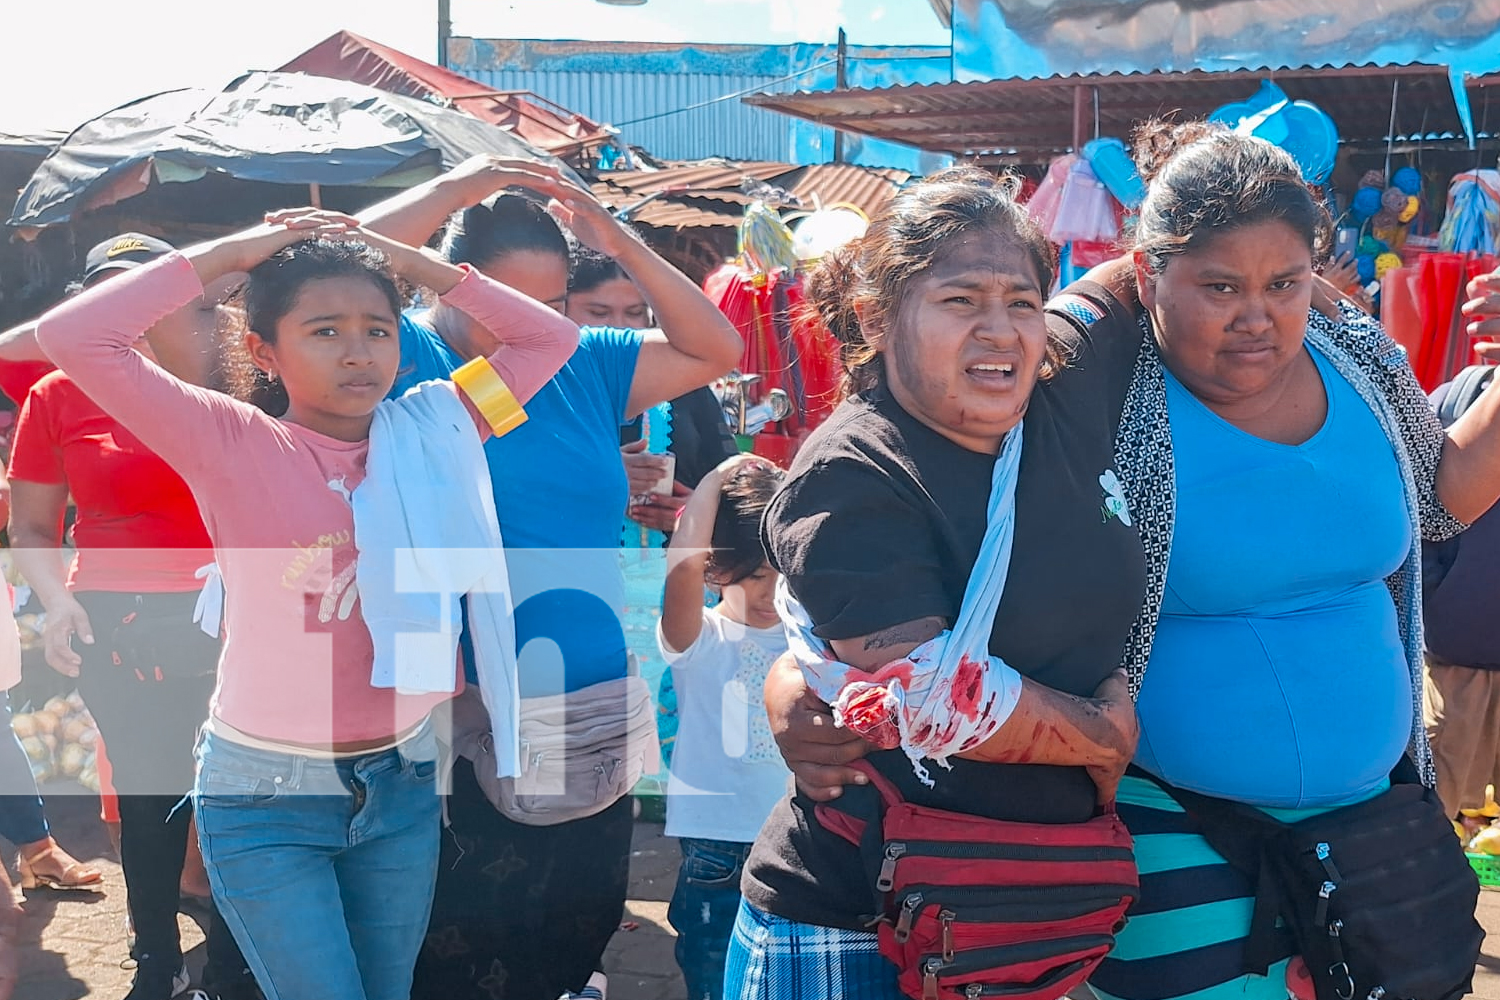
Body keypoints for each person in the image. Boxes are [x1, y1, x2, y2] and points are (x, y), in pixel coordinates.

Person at [769, 123, 1500, 1000]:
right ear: (1150, 278)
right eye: (1219, 286)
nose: (1256, 316)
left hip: (1374, 827)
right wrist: (799, 679)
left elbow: (1440, 498)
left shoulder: (1358, 358)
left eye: (1286, 282)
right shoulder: (1087, 378)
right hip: (1177, 835)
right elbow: (893, 502)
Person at [29, 210, 578, 1000]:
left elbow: (545, 340)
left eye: (378, 330)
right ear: (262, 349)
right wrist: (235, 248)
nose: (358, 353)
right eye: (324, 331)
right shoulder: (228, 440)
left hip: (401, 783)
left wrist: (399, 257)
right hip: (266, 796)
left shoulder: (441, 423)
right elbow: (74, 336)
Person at [725, 168, 1144, 999]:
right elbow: (928, 696)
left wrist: (1309, 285)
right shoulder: (852, 473)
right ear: (878, 319)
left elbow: (1146, 265)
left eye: (1021, 301)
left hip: (1018, 916)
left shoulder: (1055, 394)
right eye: (960, 301)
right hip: (860, 926)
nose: (1001, 331)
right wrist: (1103, 736)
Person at [358, 155, 742, 999]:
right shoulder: (403, 355)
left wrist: (622, 242)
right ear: (449, 286)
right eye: (494, 298)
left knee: (571, 934)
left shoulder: (584, 359)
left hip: (585, 697)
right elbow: (347, 252)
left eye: (542, 301)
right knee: (455, 949)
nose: (516, 322)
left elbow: (717, 345)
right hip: (460, 705)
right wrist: (461, 188)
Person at [7, 234, 246, 1000]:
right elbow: (36, 528)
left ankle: (244, 951)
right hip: (114, 618)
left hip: (237, 612)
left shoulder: (236, 381)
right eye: (110, 293)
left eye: (148, 290)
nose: (131, 311)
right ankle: (155, 956)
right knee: (150, 796)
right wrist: (58, 600)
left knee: (242, 790)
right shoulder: (59, 393)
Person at [658, 453, 788, 1000]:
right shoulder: (698, 638)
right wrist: (713, 481)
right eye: (756, 575)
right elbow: (682, 566)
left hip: (794, 844)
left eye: (782, 573)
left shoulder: (809, 642)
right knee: (714, 980)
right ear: (717, 567)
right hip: (717, 847)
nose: (769, 592)